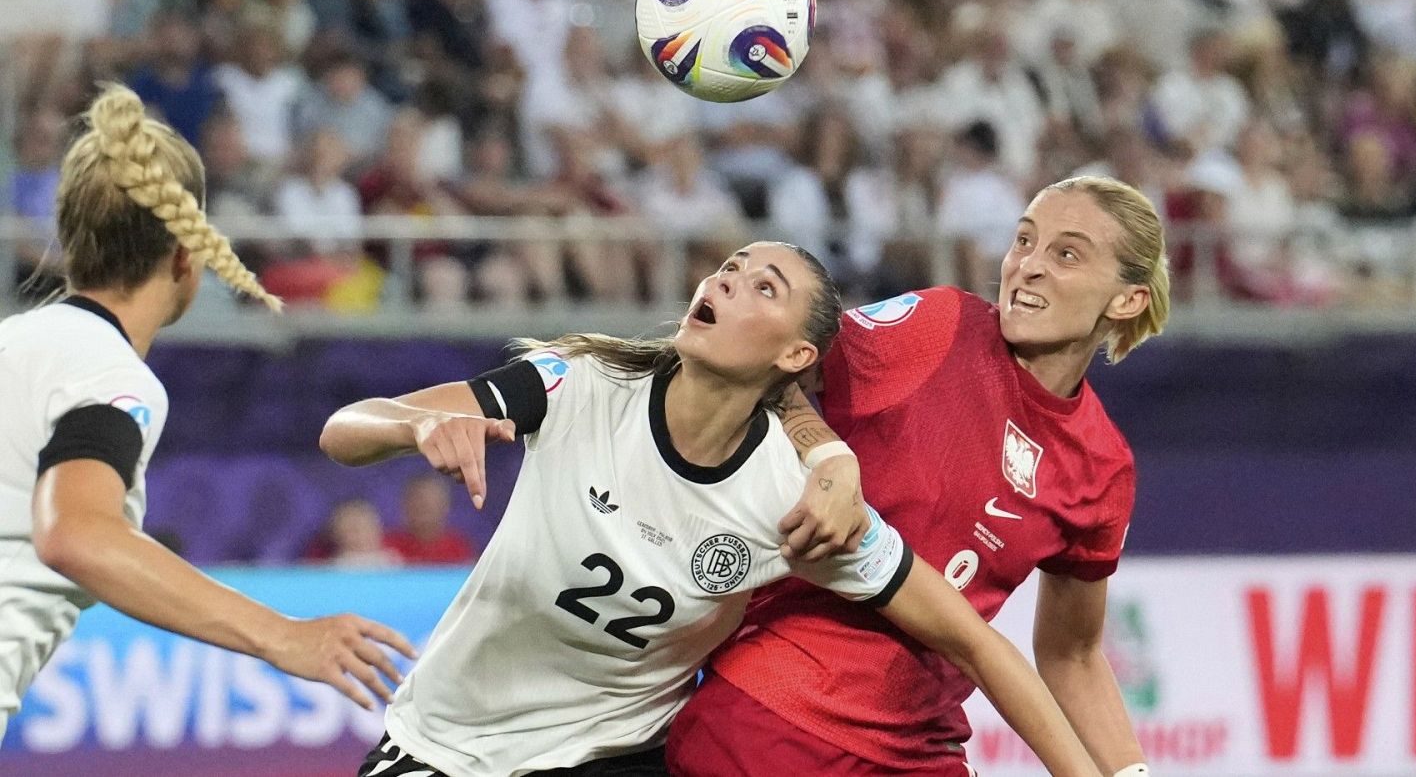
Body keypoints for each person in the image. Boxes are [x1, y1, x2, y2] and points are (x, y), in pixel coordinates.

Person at [320, 242, 1103, 777]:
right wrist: (413, 422)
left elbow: (978, 644)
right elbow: (344, 429)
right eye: (730, 268)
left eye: (765, 287)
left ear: (798, 357)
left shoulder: (791, 499)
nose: (726, 281)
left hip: (614, 755)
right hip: (453, 742)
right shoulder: (580, 386)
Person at [668, 177, 1167, 777]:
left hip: (922, 749)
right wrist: (830, 459)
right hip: (775, 715)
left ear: (1127, 300)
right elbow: (777, 363)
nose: (1027, 267)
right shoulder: (942, 326)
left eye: (1066, 254)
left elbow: (1072, 653)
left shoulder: (1103, 466)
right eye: (1024, 241)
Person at [0, 84, 416, 744]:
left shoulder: (16, 345)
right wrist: (285, 637)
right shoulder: (108, 374)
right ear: (187, 257)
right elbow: (75, 533)